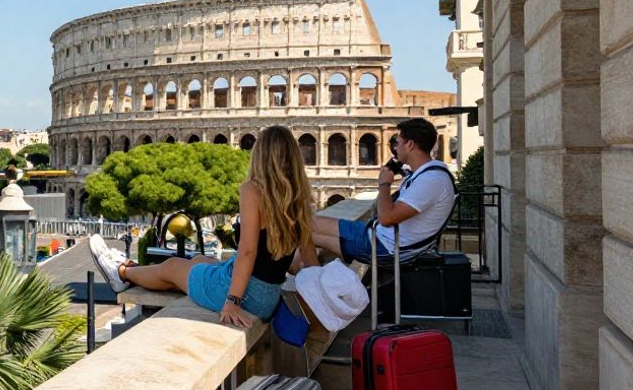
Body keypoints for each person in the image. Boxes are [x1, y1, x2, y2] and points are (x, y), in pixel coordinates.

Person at [90, 125, 320, 328]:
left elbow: (248, 251)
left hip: (246, 293)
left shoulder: (253, 190)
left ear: (260, 155)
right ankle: (134, 269)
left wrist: (233, 301)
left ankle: (121, 272)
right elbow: (309, 258)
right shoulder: (299, 196)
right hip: (269, 296)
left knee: (170, 266)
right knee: (199, 260)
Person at [311, 118, 456, 267]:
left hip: (383, 246)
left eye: (398, 142)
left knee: (307, 228)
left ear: (410, 145)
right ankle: (307, 276)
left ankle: (307, 280)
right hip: (382, 238)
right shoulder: (428, 175)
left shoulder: (431, 180)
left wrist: (384, 183)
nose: (395, 147)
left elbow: (386, 218)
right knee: (307, 228)